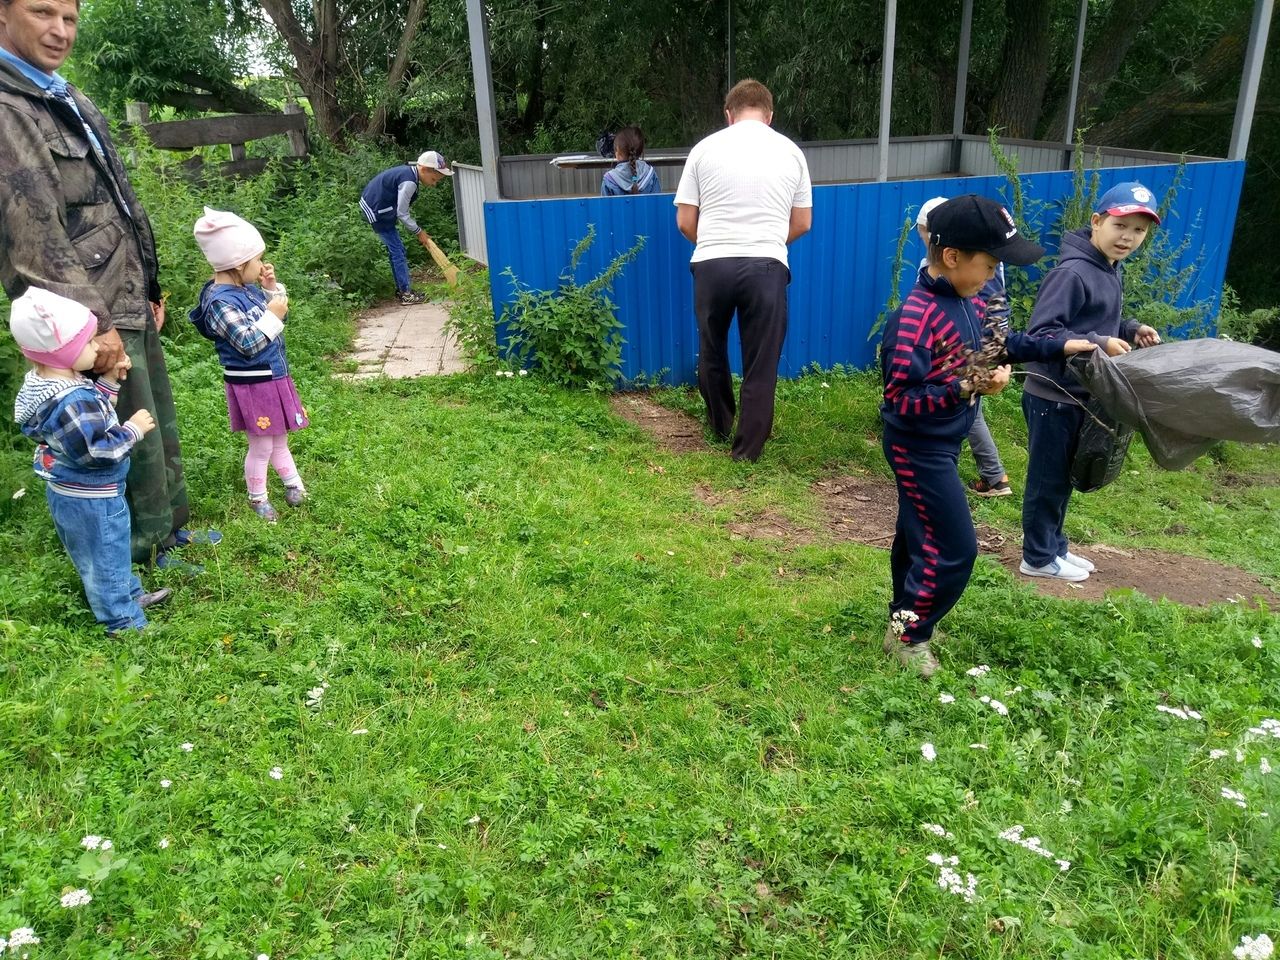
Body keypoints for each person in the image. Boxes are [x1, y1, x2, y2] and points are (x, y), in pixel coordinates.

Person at [0, 0, 208, 569]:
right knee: (116, 433)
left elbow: (117, 200)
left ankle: (171, 532)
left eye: (69, 18)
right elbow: (33, 239)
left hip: (123, 285)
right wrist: (97, 325)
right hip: (83, 313)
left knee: (155, 414)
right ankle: (140, 552)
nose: (59, 30)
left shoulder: (65, 96)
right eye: (43, 13)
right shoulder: (8, 108)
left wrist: (151, 284)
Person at [880, 195, 1097, 676]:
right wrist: (966, 386)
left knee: (917, 534)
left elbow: (1003, 345)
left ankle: (902, 617)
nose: (995, 272)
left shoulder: (970, 300)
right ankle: (911, 636)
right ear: (953, 257)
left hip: (944, 440)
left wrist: (1065, 343)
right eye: (991, 261)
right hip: (917, 446)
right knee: (957, 549)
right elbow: (900, 400)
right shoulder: (913, 319)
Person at [1020, 182, 1163, 583]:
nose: (1128, 237)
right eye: (1121, 226)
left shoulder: (1107, 269)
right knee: (1047, 479)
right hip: (1053, 394)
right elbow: (1042, 333)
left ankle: (1055, 546)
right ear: (1097, 221)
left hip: (1082, 393)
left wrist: (1131, 328)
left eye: (1139, 230)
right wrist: (1100, 343)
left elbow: (1095, 320)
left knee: (1065, 475)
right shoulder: (1072, 273)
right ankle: (1036, 556)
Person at [11, 288, 172, 633]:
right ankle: (123, 622)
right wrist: (132, 430)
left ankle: (127, 597)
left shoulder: (56, 384)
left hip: (84, 494)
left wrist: (110, 381)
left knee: (111, 553)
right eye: (87, 344)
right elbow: (96, 450)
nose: (98, 347)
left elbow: (92, 414)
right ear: (62, 353)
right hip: (92, 497)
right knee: (105, 558)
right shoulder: (69, 400)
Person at [674, 79, 813, 462]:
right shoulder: (790, 152)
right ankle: (746, 453)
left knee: (712, 348)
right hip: (766, 266)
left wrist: (715, 243)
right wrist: (767, 242)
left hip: (712, 264)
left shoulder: (704, 150)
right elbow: (802, 222)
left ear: (728, 114)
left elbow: (686, 221)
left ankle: (719, 424)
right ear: (769, 115)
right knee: (761, 360)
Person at [190, 208, 309, 524]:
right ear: (238, 263)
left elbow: (277, 316)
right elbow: (247, 342)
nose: (261, 266)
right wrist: (272, 314)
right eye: (257, 261)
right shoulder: (220, 301)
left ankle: (293, 485)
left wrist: (271, 290)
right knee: (261, 445)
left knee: (279, 438)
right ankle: (258, 498)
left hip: (273, 377)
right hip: (253, 384)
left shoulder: (247, 290)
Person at [916, 196, 1015, 497]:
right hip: (985, 337)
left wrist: (986, 346)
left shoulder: (966, 267)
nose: (925, 239)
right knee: (966, 403)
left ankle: (995, 476)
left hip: (972, 341)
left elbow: (984, 304)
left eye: (924, 231)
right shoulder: (983, 260)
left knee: (968, 404)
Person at [360, 150, 453, 305]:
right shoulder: (409, 182)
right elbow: (402, 213)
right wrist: (419, 232)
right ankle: (406, 294)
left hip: (380, 207)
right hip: (376, 210)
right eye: (434, 179)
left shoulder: (410, 175)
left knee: (398, 250)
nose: (434, 183)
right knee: (398, 251)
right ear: (424, 169)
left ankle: (402, 289)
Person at [601, 126, 659, 196]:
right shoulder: (650, 174)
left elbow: (605, 206)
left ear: (617, 152)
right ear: (640, 151)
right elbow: (658, 205)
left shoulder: (608, 180)